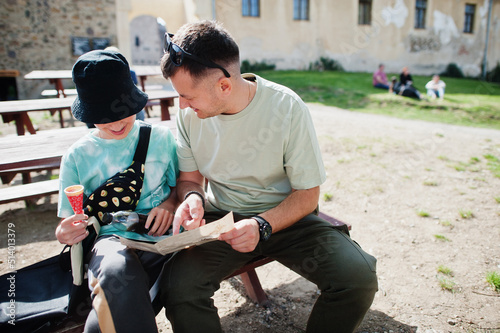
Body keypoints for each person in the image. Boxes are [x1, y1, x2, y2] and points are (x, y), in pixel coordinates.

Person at [159, 20, 378, 333]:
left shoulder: (287, 108)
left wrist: (261, 224)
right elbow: (190, 179)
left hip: (289, 219)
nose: (181, 105)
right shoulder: (188, 116)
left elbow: (307, 195)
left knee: (357, 278)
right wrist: (193, 197)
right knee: (179, 288)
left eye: (188, 97)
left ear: (224, 85)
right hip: (224, 222)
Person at [56, 50, 179, 332]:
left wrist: (170, 205)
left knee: (104, 317)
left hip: (163, 232)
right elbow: (67, 222)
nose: (115, 122)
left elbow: (177, 190)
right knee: (115, 270)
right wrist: (64, 233)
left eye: (123, 112)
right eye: (101, 116)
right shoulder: (76, 157)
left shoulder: (160, 138)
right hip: (110, 239)